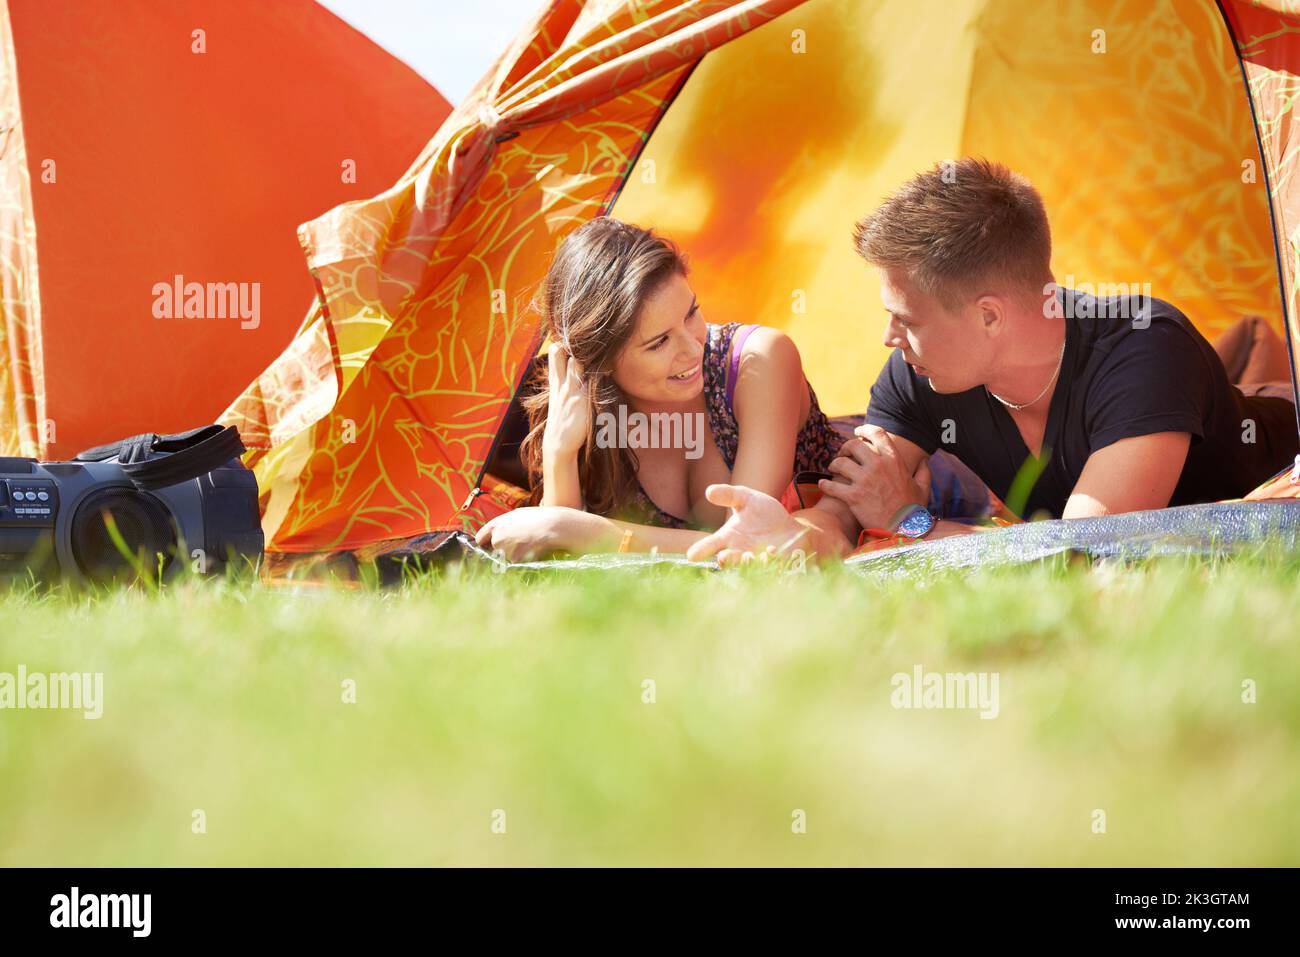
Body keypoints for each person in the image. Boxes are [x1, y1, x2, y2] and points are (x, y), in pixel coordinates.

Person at [686, 158, 1300, 565]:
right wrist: (793, 535)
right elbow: (848, 506)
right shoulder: (921, 367)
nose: (887, 336)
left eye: (907, 318)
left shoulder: (1144, 351)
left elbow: (1078, 558)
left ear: (989, 315)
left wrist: (910, 518)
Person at [474, 217, 849, 561]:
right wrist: (559, 450)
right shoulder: (597, 410)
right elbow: (555, 557)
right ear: (599, 361)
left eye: (691, 313)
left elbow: (749, 541)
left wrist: (582, 530)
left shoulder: (758, 361)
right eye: (659, 343)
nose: (692, 349)